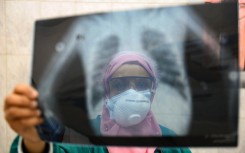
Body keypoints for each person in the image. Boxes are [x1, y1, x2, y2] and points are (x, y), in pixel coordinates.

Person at [4, 52, 191, 153]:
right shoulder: (83, 135)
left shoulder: (172, 143)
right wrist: (33, 141)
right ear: (107, 91)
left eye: (142, 84)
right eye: (119, 84)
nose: (131, 92)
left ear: (152, 92)